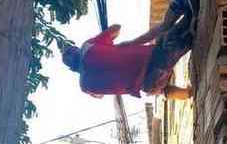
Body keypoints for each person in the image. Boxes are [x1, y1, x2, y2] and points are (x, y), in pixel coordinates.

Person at [60, 24, 192, 100]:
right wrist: (108, 41)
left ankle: (186, 93)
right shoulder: (87, 47)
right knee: (185, 31)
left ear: (72, 69)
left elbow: (99, 96)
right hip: (155, 59)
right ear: (76, 49)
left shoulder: (84, 86)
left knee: (159, 90)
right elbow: (116, 28)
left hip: (150, 84)